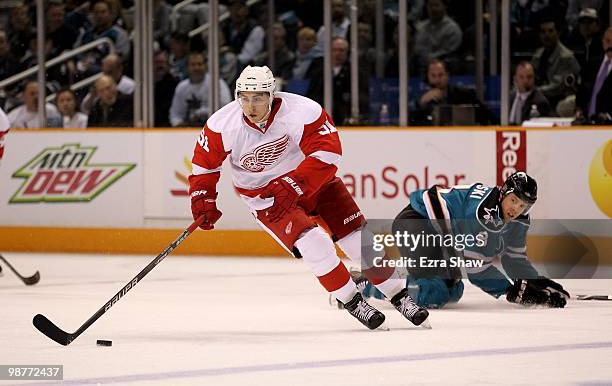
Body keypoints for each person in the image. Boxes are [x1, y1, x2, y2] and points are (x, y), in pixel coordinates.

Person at [188, 65, 429, 329]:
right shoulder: (222, 124)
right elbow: (204, 167)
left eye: (258, 97)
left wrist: (293, 184)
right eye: (244, 97)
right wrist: (202, 200)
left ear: (272, 94)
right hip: (267, 199)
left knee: (358, 239)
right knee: (314, 243)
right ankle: (352, 300)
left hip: (314, 184)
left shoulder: (302, 111)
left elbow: (328, 153)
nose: (251, 105)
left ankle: (399, 295)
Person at [353, 172, 571, 309]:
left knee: (453, 291)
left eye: (523, 205)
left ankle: (402, 278)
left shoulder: (519, 220)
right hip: (416, 222)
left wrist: (535, 280)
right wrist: (510, 290)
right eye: (513, 200)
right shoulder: (481, 213)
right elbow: (477, 270)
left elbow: (514, 258)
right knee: (432, 293)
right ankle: (367, 284)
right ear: (503, 193)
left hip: (441, 235)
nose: (516, 209)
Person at [416, 59, 493, 125]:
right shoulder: (422, 100)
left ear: (447, 75)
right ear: (428, 77)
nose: (437, 80)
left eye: (441, 75)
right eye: (433, 75)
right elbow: (413, 125)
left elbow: (487, 117)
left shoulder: (465, 95)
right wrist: (422, 103)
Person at [169, 52, 232, 127]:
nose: (196, 68)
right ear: (187, 67)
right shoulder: (182, 87)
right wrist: (179, 124)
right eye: (193, 65)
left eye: (199, 64)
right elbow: (175, 114)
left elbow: (226, 108)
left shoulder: (217, 83)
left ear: (205, 66)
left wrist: (199, 114)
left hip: (215, 129)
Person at [575, 27, 612, 124]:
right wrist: (579, 110)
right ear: (603, 42)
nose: (610, 45)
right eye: (608, 41)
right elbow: (581, 92)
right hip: (586, 123)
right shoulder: (591, 64)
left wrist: (608, 116)